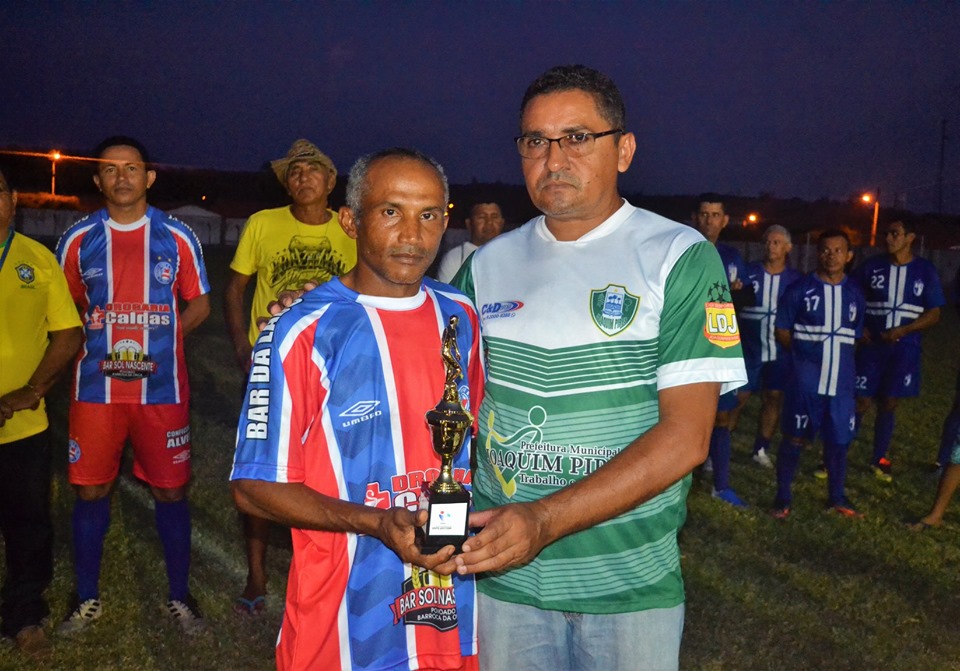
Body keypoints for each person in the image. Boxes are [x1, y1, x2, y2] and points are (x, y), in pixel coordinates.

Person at [450, 65, 747, 671]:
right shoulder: (486, 266)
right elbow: (426, 380)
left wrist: (544, 519)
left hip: (628, 585)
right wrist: (329, 314)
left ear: (625, 149)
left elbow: (688, 438)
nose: (553, 158)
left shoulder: (678, 257)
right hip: (505, 578)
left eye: (577, 137)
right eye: (535, 141)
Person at [231, 148, 482, 671]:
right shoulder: (299, 329)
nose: (412, 235)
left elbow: (469, 447)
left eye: (429, 215)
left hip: (449, 607)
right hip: (341, 617)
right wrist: (373, 522)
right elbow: (252, 487)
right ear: (350, 220)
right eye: (391, 211)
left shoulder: (461, 317)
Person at [55, 137, 211, 635]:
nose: (122, 177)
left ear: (150, 177)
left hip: (162, 392)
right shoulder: (78, 238)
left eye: (132, 168)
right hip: (96, 392)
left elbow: (199, 303)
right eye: (110, 170)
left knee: (170, 492)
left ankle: (179, 597)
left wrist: (164, 340)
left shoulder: (178, 235)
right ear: (97, 180)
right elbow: (71, 306)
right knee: (91, 490)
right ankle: (85, 598)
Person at [224, 138, 357, 615]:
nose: (303, 179)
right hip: (271, 368)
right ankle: (256, 573)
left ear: (330, 181)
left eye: (313, 171)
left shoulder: (350, 227)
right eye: (294, 172)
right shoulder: (263, 224)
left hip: (335, 370)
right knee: (262, 472)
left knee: (330, 472)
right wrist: (242, 344)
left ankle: (327, 567)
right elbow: (236, 286)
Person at [0, 168, 82, 657]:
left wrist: (30, 391)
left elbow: (68, 334)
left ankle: (25, 615)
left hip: (22, 425)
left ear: (12, 201)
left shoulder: (38, 260)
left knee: (28, 525)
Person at [771, 229, 865, 519]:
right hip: (805, 382)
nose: (831, 255)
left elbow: (855, 335)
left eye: (838, 250)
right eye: (825, 250)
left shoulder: (855, 293)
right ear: (817, 253)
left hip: (840, 383)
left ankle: (837, 497)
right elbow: (782, 330)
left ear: (848, 256)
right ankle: (783, 498)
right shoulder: (800, 289)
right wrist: (804, 358)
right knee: (794, 438)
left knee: (838, 441)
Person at [852, 218, 944, 481]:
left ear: (910, 237)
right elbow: (851, 296)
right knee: (861, 400)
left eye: (895, 233)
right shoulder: (872, 266)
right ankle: (838, 453)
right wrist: (860, 327)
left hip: (905, 349)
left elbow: (935, 313)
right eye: (887, 233)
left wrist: (904, 330)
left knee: (889, 402)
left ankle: (878, 457)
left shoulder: (925, 270)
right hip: (872, 348)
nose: (889, 238)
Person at [695, 194, 751, 506]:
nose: (709, 220)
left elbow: (740, 299)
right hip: (689, 346)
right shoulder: (682, 250)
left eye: (715, 215)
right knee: (683, 415)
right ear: (695, 218)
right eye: (704, 214)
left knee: (723, 415)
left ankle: (721, 483)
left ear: (724, 220)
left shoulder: (732, 256)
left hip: (722, 345)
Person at [738, 225, 802, 468]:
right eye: (767, 242)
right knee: (739, 397)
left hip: (780, 351)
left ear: (788, 248)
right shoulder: (748, 272)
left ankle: (761, 448)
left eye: (776, 242)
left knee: (773, 397)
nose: (771, 246)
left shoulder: (796, 280)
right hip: (749, 347)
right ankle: (719, 446)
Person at [435, 202, 504, 282]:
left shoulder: (513, 254)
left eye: (494, 217)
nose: (489, 222)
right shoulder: (454, 258)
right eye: (482, 217)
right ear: (469, 224)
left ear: (502, 223)